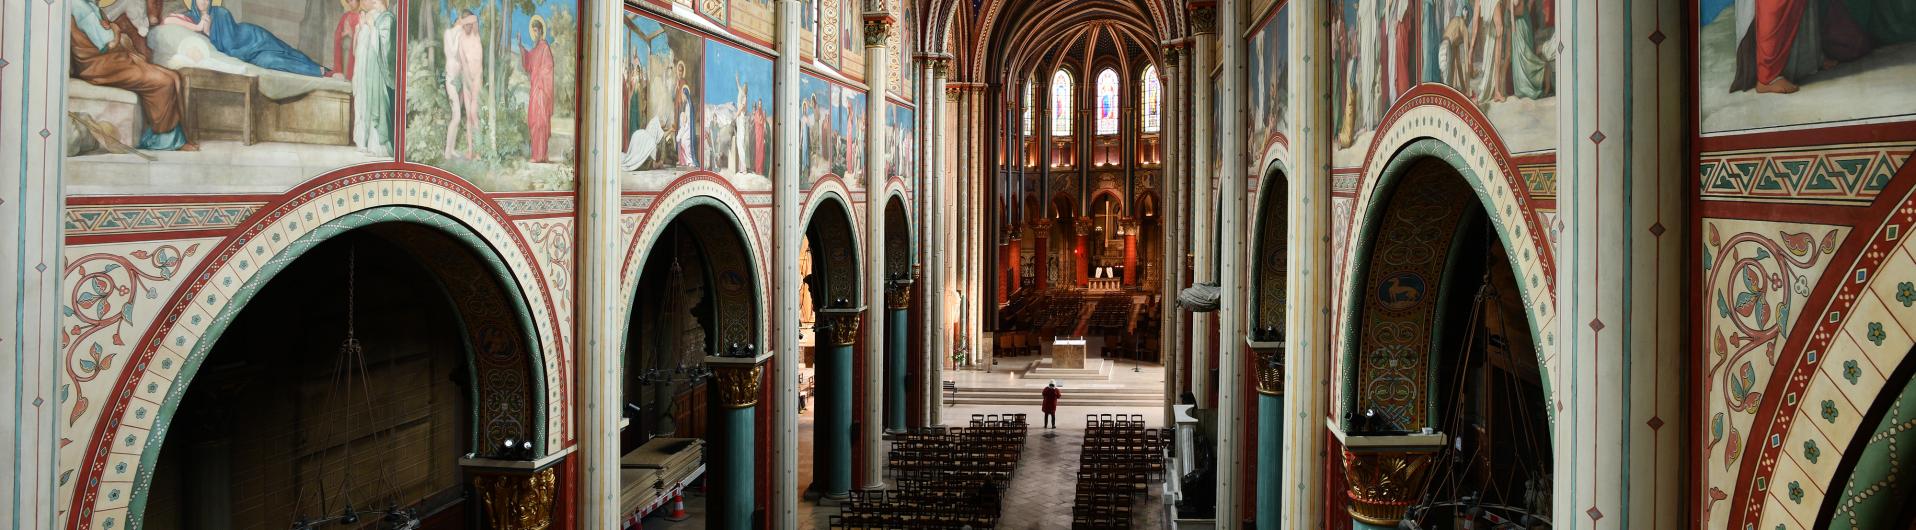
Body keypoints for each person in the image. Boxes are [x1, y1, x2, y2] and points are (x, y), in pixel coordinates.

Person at [71, 0, 193, 151]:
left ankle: (172, 137)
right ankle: (163, 140)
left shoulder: (89, 6)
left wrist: (114, 31)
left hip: (110, 60)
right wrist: (115, 28)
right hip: (99, 66)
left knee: (175, 77)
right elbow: (108, 44)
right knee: (164, 81)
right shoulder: (81, 8)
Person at [163, 0, 327, 77]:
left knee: (286, 50)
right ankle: (315, 71)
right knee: (271, 61)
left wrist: (207, 29)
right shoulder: (191, 17)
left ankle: (321, 69)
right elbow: (167, 20)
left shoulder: (221, 13)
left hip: (253, 38)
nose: (204, 2)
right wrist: (200, 28)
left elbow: (231, 44)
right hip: (250, 56)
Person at [350, 0, 394, 156]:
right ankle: (363, 142)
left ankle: (377, 146)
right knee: (363, 102)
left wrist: (371, 26)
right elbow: (356, 52)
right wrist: (360, 28)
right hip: (364, 70)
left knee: (375, 103)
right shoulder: (369, 17)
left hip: (376, 70)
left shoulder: (386, 18)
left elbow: (385, 47)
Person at [443, 11, 482, 159]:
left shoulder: (465, 36)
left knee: (463, 115)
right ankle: (447, 151)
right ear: (458, 20)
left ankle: (452, 149)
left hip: (461, 80)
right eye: (462, 21)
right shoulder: (449, 33)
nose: (464, 25)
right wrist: (459, 33)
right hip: (452, 79)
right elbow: (452, 52)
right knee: (457, 116)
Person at [519, 16, 556, 162]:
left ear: (541, 31)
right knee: (533, 120)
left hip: (542, 90)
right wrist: (521, 46)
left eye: (537, 30)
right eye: (533, 31)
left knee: (541, 121)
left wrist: (540, 77)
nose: (535, 33)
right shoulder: (535, 49)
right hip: (535, 88)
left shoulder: (545, 47)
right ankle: (536, 154)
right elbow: (528, 64)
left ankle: (542, 155)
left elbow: (549, 67)